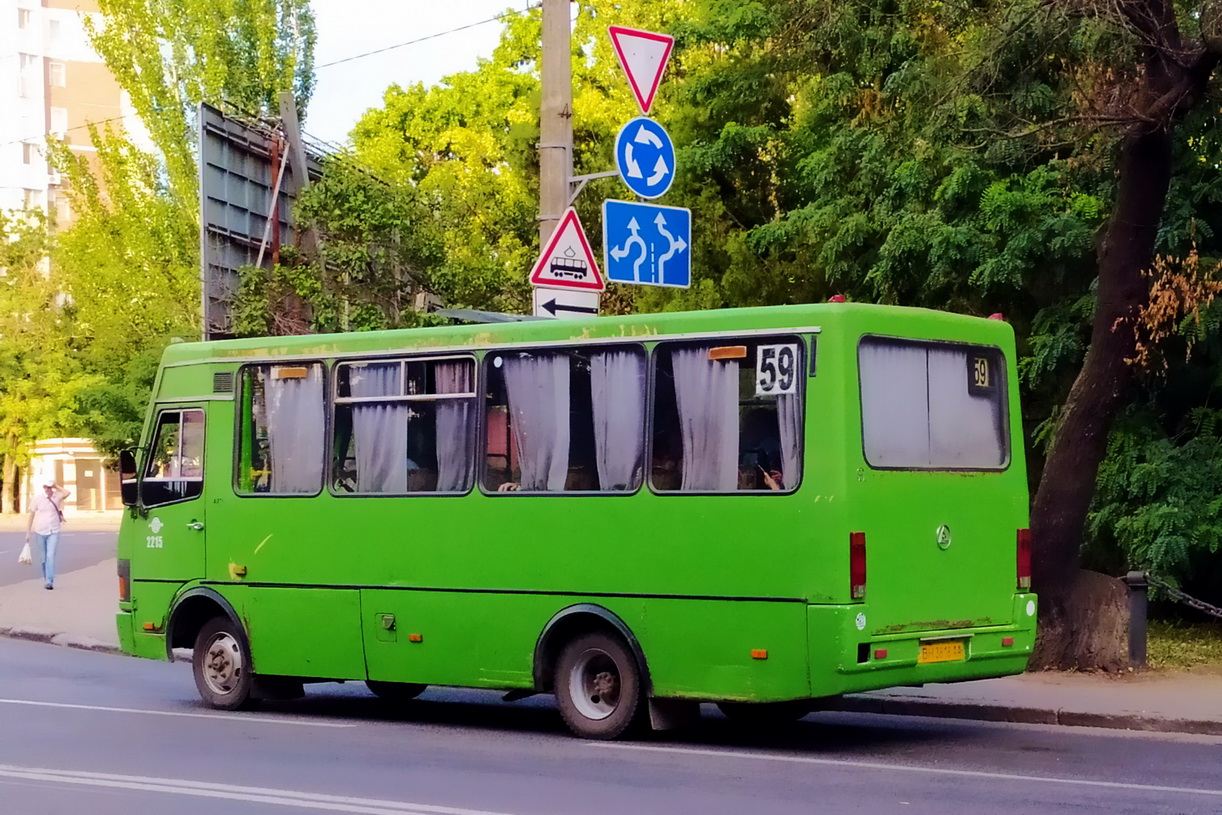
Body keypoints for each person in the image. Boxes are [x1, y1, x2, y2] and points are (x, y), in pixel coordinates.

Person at [26, 477, 69, 590]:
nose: (48, 489)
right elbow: (31, 515)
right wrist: (28, 532)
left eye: (50, 487)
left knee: (50, 556)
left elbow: (67, 493)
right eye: (47, 487)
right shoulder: (38, 499)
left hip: (53, 530)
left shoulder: (57, 496)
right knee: (43, 558)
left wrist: (56, 485)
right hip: (40, 530)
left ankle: (49, 581)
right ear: (43, 487)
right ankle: (46, 578)